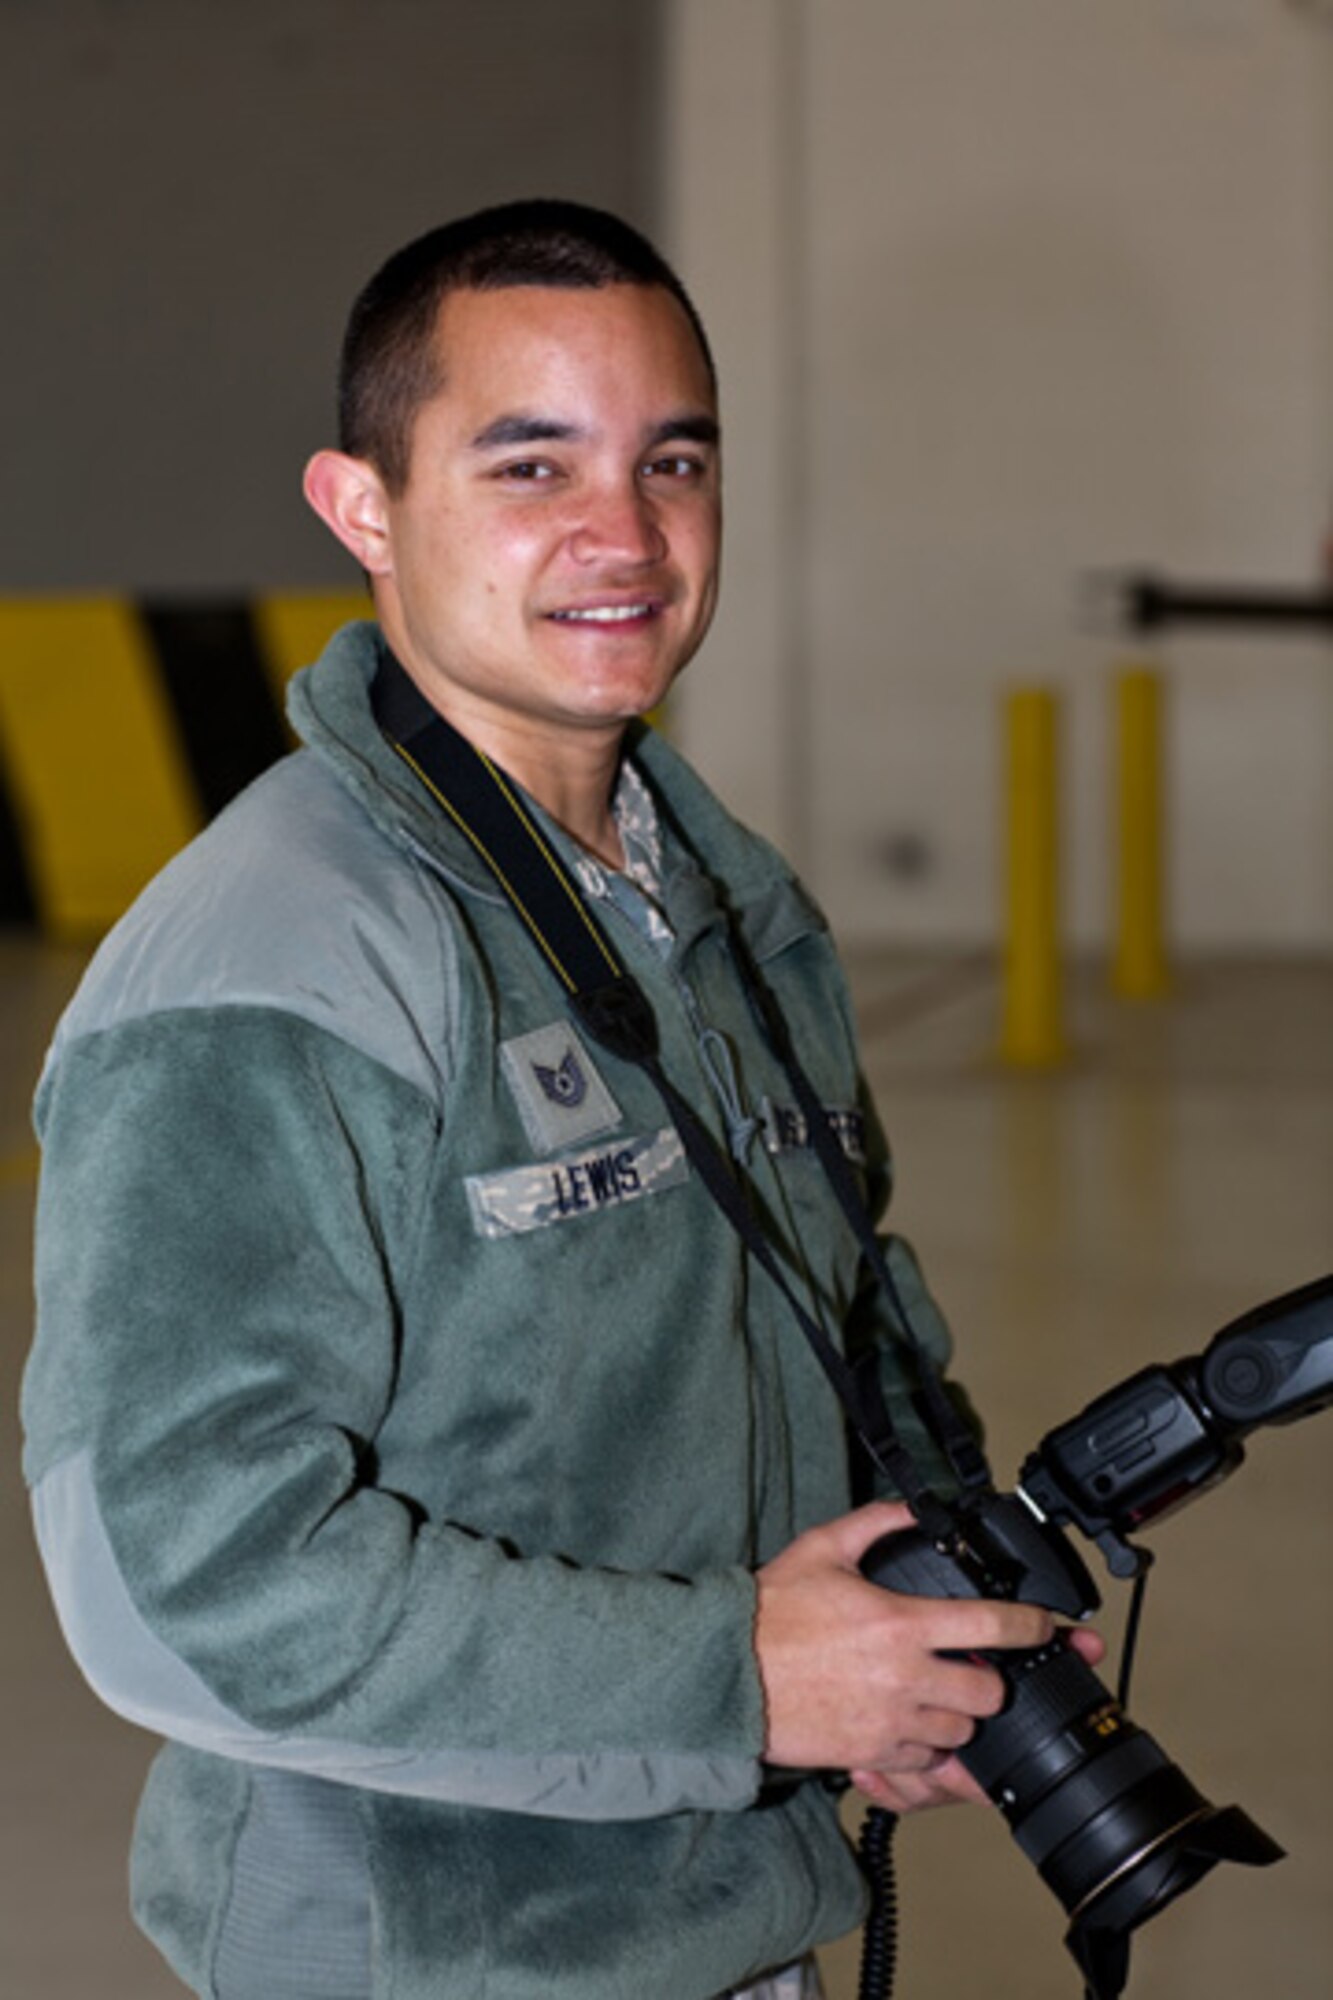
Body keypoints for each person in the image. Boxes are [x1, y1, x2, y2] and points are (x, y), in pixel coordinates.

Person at [22, 201, 1086, 2000]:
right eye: (531, 467)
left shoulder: (722, 902)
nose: (625, 534)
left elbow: (838, 1310)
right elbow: (180, 1587)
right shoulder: (276, 963)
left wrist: (895, 1638)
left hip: (725, 1898)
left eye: (670, 459)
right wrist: (732, 1677)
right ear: (363, 509)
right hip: (420, 1948)